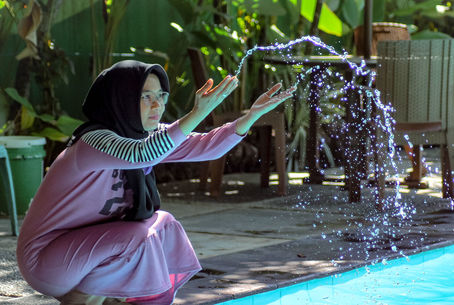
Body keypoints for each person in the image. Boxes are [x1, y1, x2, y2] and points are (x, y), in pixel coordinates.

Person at [16, 60, 296, 305]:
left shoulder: (147, 136)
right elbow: (142, 154)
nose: (157, 104)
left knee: (164, 225)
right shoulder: (92, 141)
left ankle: (112, 298)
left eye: (161, 95)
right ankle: (91, 299)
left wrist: (251, 116)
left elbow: (206, 147)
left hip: (87, 252)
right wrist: (196, 114)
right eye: (145, 96)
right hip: (45, 262)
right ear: (121, 99)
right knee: (138, 237)